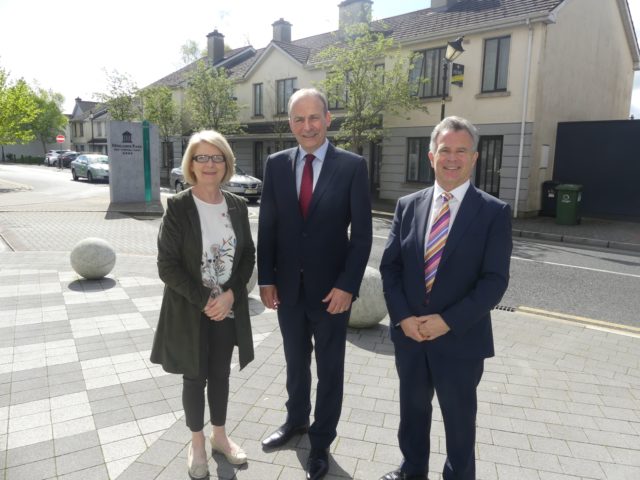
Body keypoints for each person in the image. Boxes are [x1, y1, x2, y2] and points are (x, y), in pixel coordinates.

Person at [379, 116, 512, 480]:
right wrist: (404, 317)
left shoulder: (493, 212)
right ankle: (412, 470)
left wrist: (447, 321)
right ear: (430, 156)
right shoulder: (408, 206)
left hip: (460, 341)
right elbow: (389, 269)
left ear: (474, 158)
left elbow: (494, 281)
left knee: (459, 423)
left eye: (461, 151)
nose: (451, 158)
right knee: (413, 414)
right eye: (444, 150)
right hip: (410, 338)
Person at [257, 88, 373, 480]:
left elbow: (362, 236)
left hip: (331, 292)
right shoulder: (275, 164)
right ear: (290, 124)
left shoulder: (352, 166)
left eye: (313, 117)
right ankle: (295, 423)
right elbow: (268, 225)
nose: (307, 126)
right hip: (288, 288)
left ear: (328, 119)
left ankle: (321, 442)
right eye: (298, 119)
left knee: (330, 368)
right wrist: (266, 278)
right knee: (294, 362)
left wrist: (348, 286)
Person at [150, 130, 255, 479]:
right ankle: (197, 443)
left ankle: (220, 437)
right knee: (195, 378)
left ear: (227, 163)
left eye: (217, 157)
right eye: (201, 157)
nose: (210, 164)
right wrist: (206, 299)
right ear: (191, 164)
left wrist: (230, 295)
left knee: (221, 375)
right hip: (190, 308)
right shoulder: (179, 205)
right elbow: (167, 266)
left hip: (226, 307)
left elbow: (247, 258)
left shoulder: (237, 206)